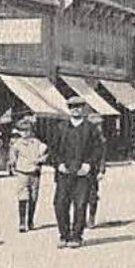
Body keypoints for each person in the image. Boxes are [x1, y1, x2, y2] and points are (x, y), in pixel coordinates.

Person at [51, 96, 105, 248]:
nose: (76, 109)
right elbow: (53, 149)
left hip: (83, 173)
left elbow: (98, 149)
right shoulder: (61, 128)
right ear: (69, 109)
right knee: (60, 204)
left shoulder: (91, 128)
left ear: (84, 108)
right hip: (64, 172)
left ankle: (76, 236)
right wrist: (58, 164)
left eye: (79, 106)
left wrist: (89, 164)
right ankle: (64, 235)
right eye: (72, 106)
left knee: (80, 205)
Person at [9, 115, 48, 233]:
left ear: (31, 131)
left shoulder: (37, 143)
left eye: (27, 130)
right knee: (23, 197)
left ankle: (30, 220)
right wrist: (13, 165)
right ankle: (22, 222)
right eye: (22, 130)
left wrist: (42, 160)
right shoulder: (17, 144)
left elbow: (45, 153)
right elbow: (12, 156)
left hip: (35, 173)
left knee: (33, 197)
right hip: (22, 172)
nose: (25, 133)